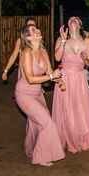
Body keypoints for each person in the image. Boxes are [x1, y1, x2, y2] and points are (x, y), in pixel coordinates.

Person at [13, 25, 65, 167]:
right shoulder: (26, 53)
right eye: (34, 31)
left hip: (37, 93)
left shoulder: (43, 51)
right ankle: (40, 156)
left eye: (37, 29)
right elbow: (30, 78)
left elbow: (49, 71)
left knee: (37, 123)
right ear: (28, 37)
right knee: (47, 122)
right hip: (24, 94)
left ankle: (30, 148)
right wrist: (50, 76)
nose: (38, 31)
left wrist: (58, 80)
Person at [52, 16, 89, 153]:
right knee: (67, 109)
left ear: (80, 23)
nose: (73, 19)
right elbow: (57, 58)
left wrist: (85, 59)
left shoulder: (87, 41)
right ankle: (68, 137)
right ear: (68, 24)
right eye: (70, 18)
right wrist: (64, 41)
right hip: (65, 78)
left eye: (76, 18)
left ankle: (81, 138)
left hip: (80, 79)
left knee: (81, 109)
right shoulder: (61, 39)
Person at [2, 17, 37, 82]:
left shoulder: (38, 41)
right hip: (25, 72)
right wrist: (6, 71)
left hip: (37, 71)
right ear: (26, 28)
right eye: (29, 25)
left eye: (34, 26)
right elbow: (13, 56)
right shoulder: (21, 41)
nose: (33, 28)